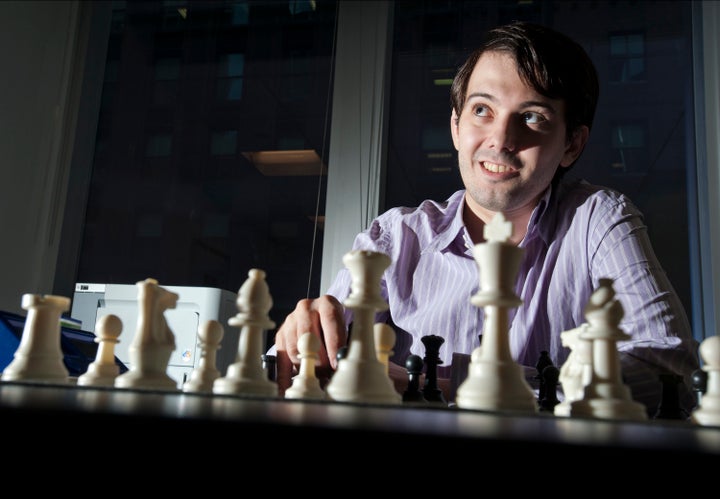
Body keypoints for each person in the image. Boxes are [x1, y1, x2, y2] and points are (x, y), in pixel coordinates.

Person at [272, 20, 700, 414]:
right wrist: (302, 338)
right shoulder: (394, 237)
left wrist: (449, 383)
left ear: (572, 144)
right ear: (456, 126)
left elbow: (670, 370)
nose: (502, 139)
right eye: (482, 110)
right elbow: (305, 365)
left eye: (533, 117)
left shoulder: (598, 220)